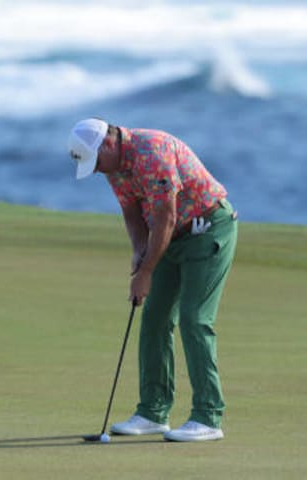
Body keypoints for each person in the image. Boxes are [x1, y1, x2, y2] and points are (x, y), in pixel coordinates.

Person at [67, 118, 238, 442]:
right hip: (171, 239)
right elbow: (132, 212)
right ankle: (153, 412)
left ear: (108, 143)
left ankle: (208, 416)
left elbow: (166, 216)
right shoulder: (113, 167)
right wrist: (138, 252)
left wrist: (146, 272)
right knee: (155, 318)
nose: (98, 170)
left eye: (97, 162)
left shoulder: (152, 152)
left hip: (207, 230)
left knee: (193, 319)